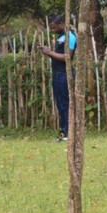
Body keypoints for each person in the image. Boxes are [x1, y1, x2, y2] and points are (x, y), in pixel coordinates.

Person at [40, 14, 76, 142]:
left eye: (55, 27)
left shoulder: (70, 37)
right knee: (60, 104)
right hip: (57, 74)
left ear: (62, 24)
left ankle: (67, 132)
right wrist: (49, 52)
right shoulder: (61, 38)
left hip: (64, 75)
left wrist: (49, 52)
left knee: (65, 104)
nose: (53, 30)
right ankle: (63, 131)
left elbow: (67, 57)